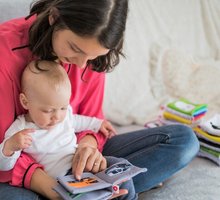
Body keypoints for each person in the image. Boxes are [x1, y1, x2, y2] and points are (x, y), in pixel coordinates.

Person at [0, 0, 200, 200]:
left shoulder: (90, 57)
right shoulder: (4, 55)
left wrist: (88, 148)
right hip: (17, 168)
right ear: (54, 17)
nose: (81, 65)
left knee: (184, 140)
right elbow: (5, 149)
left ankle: (96, 193)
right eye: (75, 48)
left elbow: (91, 118)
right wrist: (52, 189)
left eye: (92, 56)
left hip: (70, 156)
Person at [0, 60, 137, 200]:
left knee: (120, 168)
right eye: (48, 111)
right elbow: (4, 165)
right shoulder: (21, 128)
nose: (57, 117)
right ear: (25, 102)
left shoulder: (64, 116)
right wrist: (10, 146)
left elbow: (78, 121)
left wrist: (98, 123)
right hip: (62, 181)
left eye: (63, 108)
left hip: (84, 166)